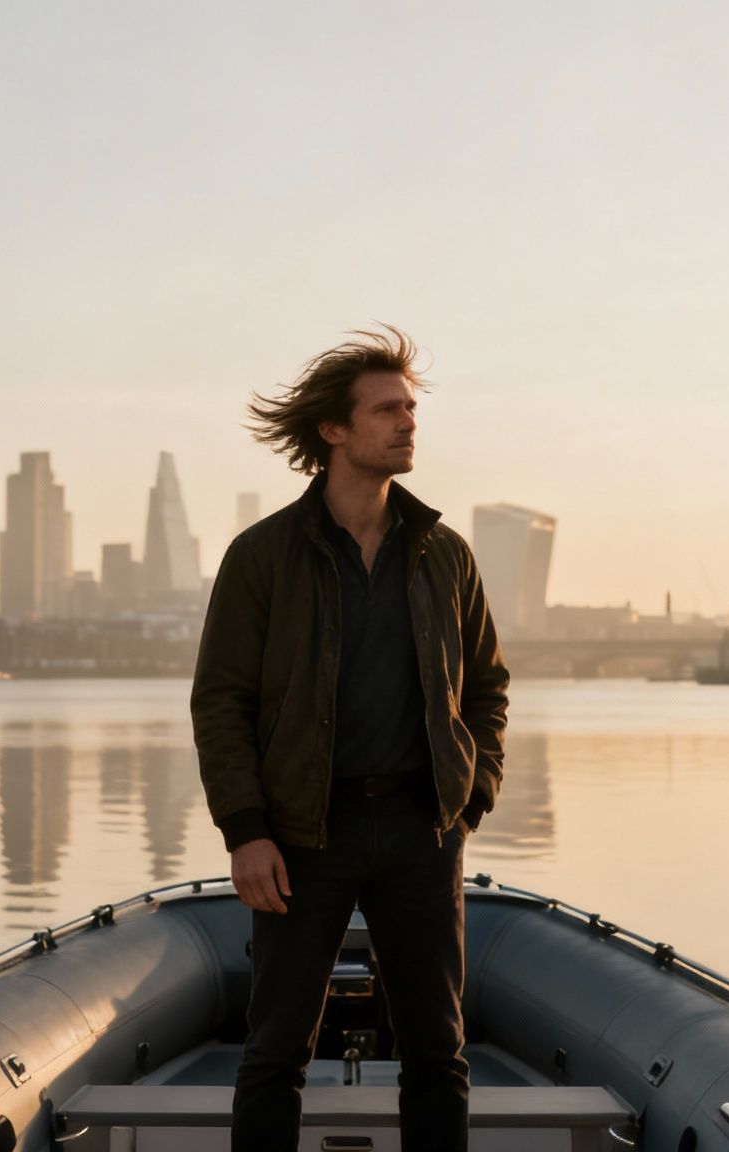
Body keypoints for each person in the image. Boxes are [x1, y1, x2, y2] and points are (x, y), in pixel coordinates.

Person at [192, 325, 510, 1152]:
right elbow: (220, 701)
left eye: (411, 408)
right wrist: (247, 831)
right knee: (275, 1053)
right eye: (387, 409)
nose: (409, 423)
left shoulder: (445, 554)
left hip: (420, 831)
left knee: (439, 1053)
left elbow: (486, 688)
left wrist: (470, 798)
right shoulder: (262, 557)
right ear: (334, 431)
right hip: (303, 835)